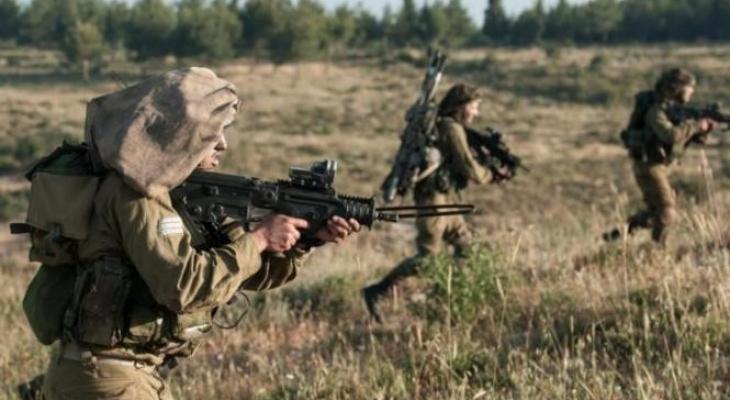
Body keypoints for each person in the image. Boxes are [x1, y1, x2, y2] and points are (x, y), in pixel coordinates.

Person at [39, 67, 360, 399]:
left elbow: (243, 273)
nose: (223, 144)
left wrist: (303, 240)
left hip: (131, 375)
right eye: (211, 133)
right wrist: (260, 238)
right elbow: (183, 287)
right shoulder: (137, 196)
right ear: (179, 133)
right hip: (107, 377)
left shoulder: (183, 193)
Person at [362, 83, 498, 323]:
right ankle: (378, 291)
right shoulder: (451, 129)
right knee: (428, 256)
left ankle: (443, 294)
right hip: (433, 202)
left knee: (468, 248)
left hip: (444, 200)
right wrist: (490, 175)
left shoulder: (447, 126)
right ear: (461, 106)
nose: (476, 113)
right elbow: (469, 167)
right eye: (474, 107)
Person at [604, 68, 716, 245]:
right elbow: (670, 135)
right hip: (649, 166)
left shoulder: (674, 110)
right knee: (667, 212)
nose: (692, 91)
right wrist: (696, 126)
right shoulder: (656, 111)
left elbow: (684, 137)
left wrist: (702, 130)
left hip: (658, 166)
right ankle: (658, 250)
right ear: (677, 88)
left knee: (654, 214)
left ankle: (617, 235)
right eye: (689, 87)